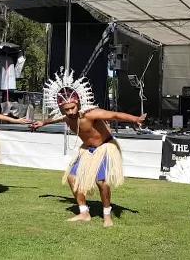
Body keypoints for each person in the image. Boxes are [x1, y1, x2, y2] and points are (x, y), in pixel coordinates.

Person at [30, 68, 146, 227]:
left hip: (105, 147)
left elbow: (114, 115)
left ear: (78, 103)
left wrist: (135, 119)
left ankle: (107, 215)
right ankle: (84, 212)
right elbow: (56, 119)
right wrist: (43, 123)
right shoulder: (67, 117)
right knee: (72, 177)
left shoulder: (90, 114)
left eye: (72, 108)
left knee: (101, 181)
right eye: (66, 109)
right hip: (87, 150)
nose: (70, 112)